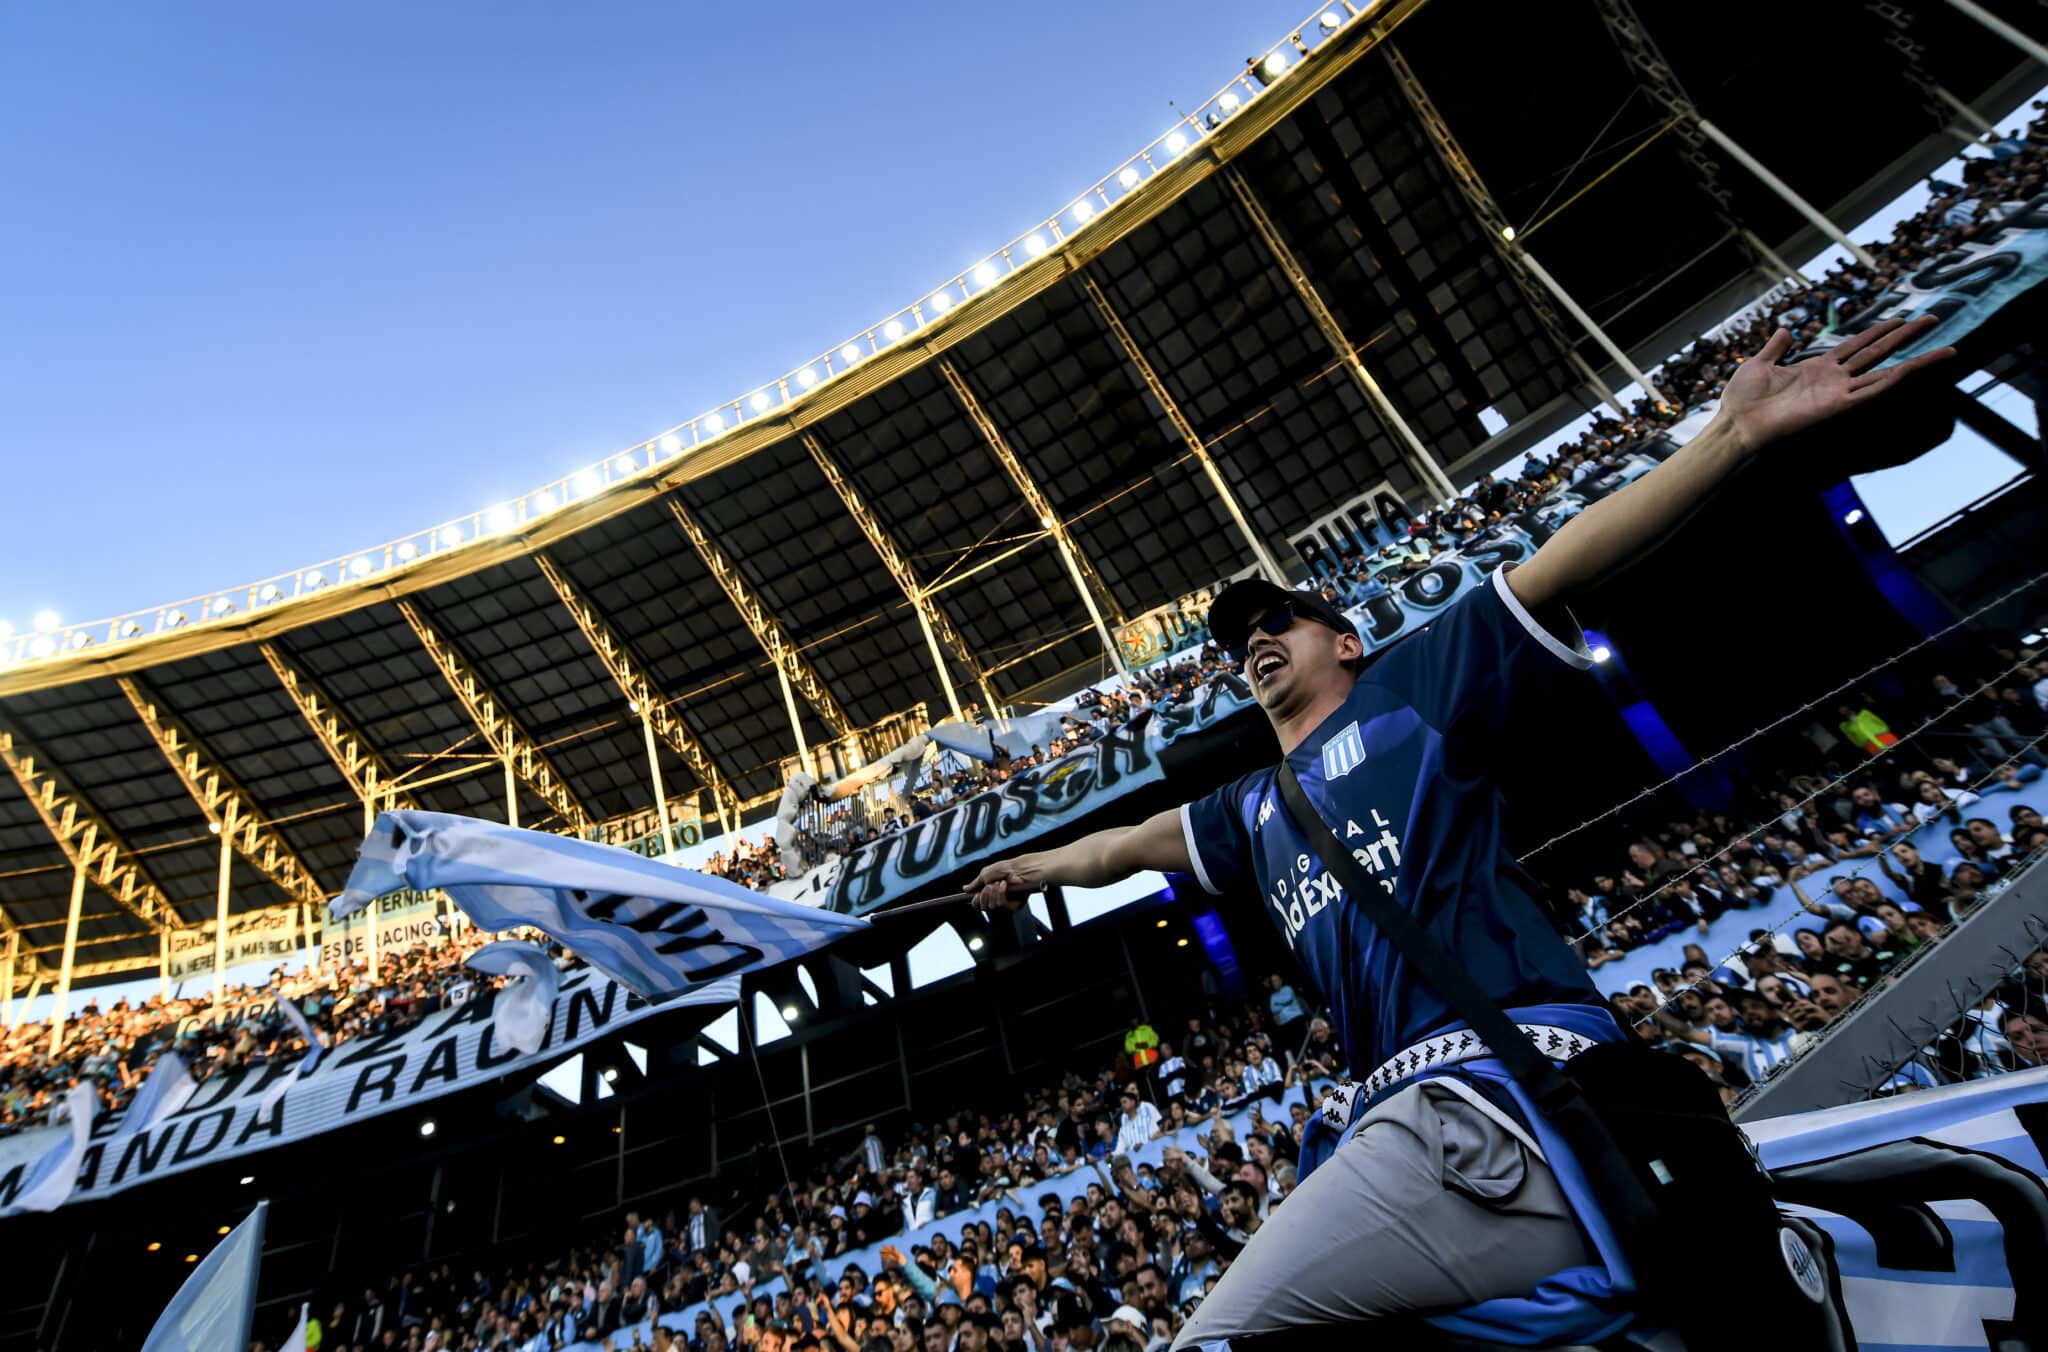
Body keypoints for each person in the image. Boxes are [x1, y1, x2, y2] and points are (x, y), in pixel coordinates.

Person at [966, 317, 1953, 1343]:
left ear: (1344, 640)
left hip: (1501, 1081)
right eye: (1238, 640)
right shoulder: (1245, 808)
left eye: (1278, 622)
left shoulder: (1413, 688)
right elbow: (1116, 847)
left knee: (1217, 1339)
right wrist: (1027, 866)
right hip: (1419, 1117)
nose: (1253, 640)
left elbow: (1558, 560)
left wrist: (1728, 438)